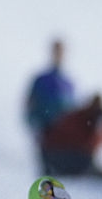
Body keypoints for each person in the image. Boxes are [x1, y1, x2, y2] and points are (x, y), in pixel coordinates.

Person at [25, 39, 76, 174]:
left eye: (61, 52)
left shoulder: (68, 83)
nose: (58, 55)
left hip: (63, 136)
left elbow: (72, 110)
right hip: (45, 132)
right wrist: (33, 123)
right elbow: (30, 104)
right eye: (56, 51)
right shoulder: (41, 80)